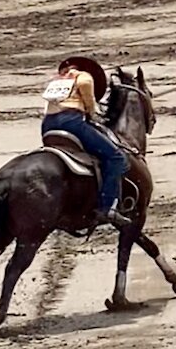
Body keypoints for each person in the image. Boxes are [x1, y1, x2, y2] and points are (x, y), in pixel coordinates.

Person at [41, 57, 132, 228]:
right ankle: (107, 207)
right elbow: (88, 99)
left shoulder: (56, 81)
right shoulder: (83, 76)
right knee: (115, 157)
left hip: (48, 124)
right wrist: (92, 113)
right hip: (71, 121)